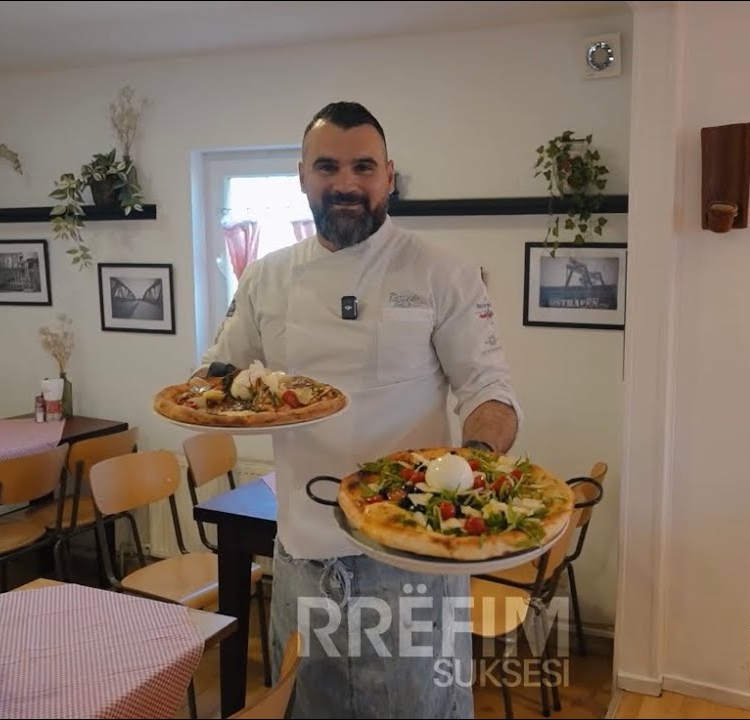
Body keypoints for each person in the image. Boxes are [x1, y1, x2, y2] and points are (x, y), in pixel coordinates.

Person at [197, 101, 521, 718]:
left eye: (363, 167)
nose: (346, 183)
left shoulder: (441, 272)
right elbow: (221, 375)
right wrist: (210, 393)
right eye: (327, 167)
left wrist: (471, 465)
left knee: (418, 708)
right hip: (302, 549)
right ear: (301, 175)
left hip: (410, 554)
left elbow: (489, 389)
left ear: (388, 175)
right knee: (304, 703)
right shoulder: (265, 279)